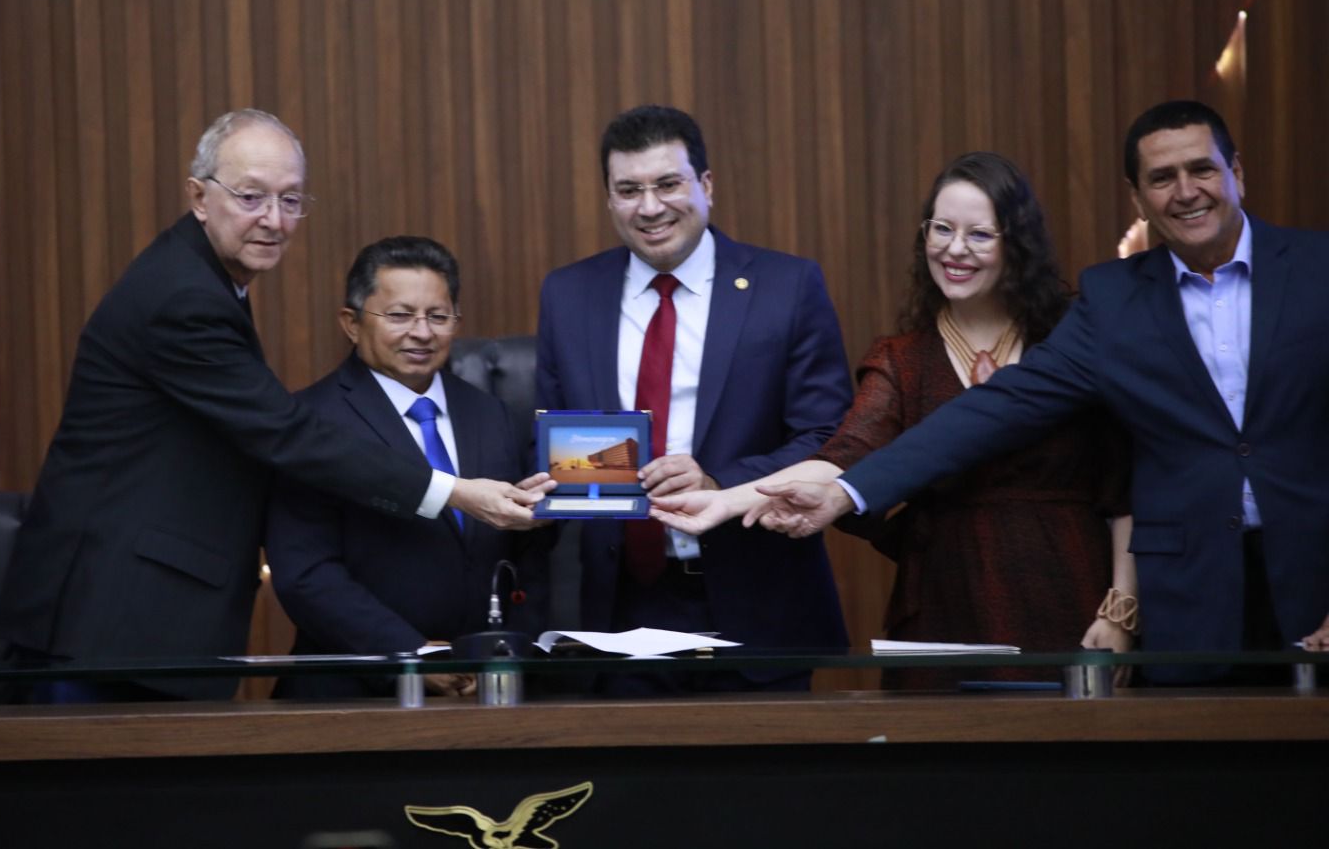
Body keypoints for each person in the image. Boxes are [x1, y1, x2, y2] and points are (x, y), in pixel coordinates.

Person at [710, 101, 1329, 679]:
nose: (1185, 191)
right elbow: (990, 411)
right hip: (1188, 602)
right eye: (1162, 178)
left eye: (1202, 170)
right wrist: (843, 492)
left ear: (1236, 172)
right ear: (1138, 197)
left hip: (1309, 579)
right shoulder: (1114, 299)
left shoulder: (1317, 268)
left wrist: (1120, 607)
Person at [0, 110, 542, 700]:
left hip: (132, 616)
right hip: (109, 617)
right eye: (251, 197)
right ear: (199, 197)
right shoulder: (183, 295)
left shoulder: (206, 279)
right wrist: (454, 491)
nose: (274, 220)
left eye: (290, 200)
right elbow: (287, 434)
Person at [653, 152, 1136, 689]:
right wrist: (725, 500)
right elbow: (843, 458)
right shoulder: (903, 359)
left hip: (1070, 594)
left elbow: (1124, 489)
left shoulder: (1071, 341)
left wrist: (1120, 609)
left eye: (979, 234)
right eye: (942, 229)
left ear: (1016, 244)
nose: (955, 249)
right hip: (944, 604)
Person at [534, 104, 852, 692]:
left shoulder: (786, 287)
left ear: (706, 185)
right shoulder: (568, 294)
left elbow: (829, 438)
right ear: (609, 199)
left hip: (757, 609)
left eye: (667, 184)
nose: (650, 207)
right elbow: (563, 447)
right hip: (619, 615)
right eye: (629, 190)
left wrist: (717, 483)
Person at [268, 236, 554, 699]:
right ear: (351, 323)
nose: (422, 333)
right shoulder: (308, 422)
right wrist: (412, 655)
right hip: (353, 695)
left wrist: (506, 651)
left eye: (438, 316)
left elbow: (529, 555)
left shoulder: (491, 413)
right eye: (400, 315)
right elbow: (306, 574)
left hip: (487, 689)